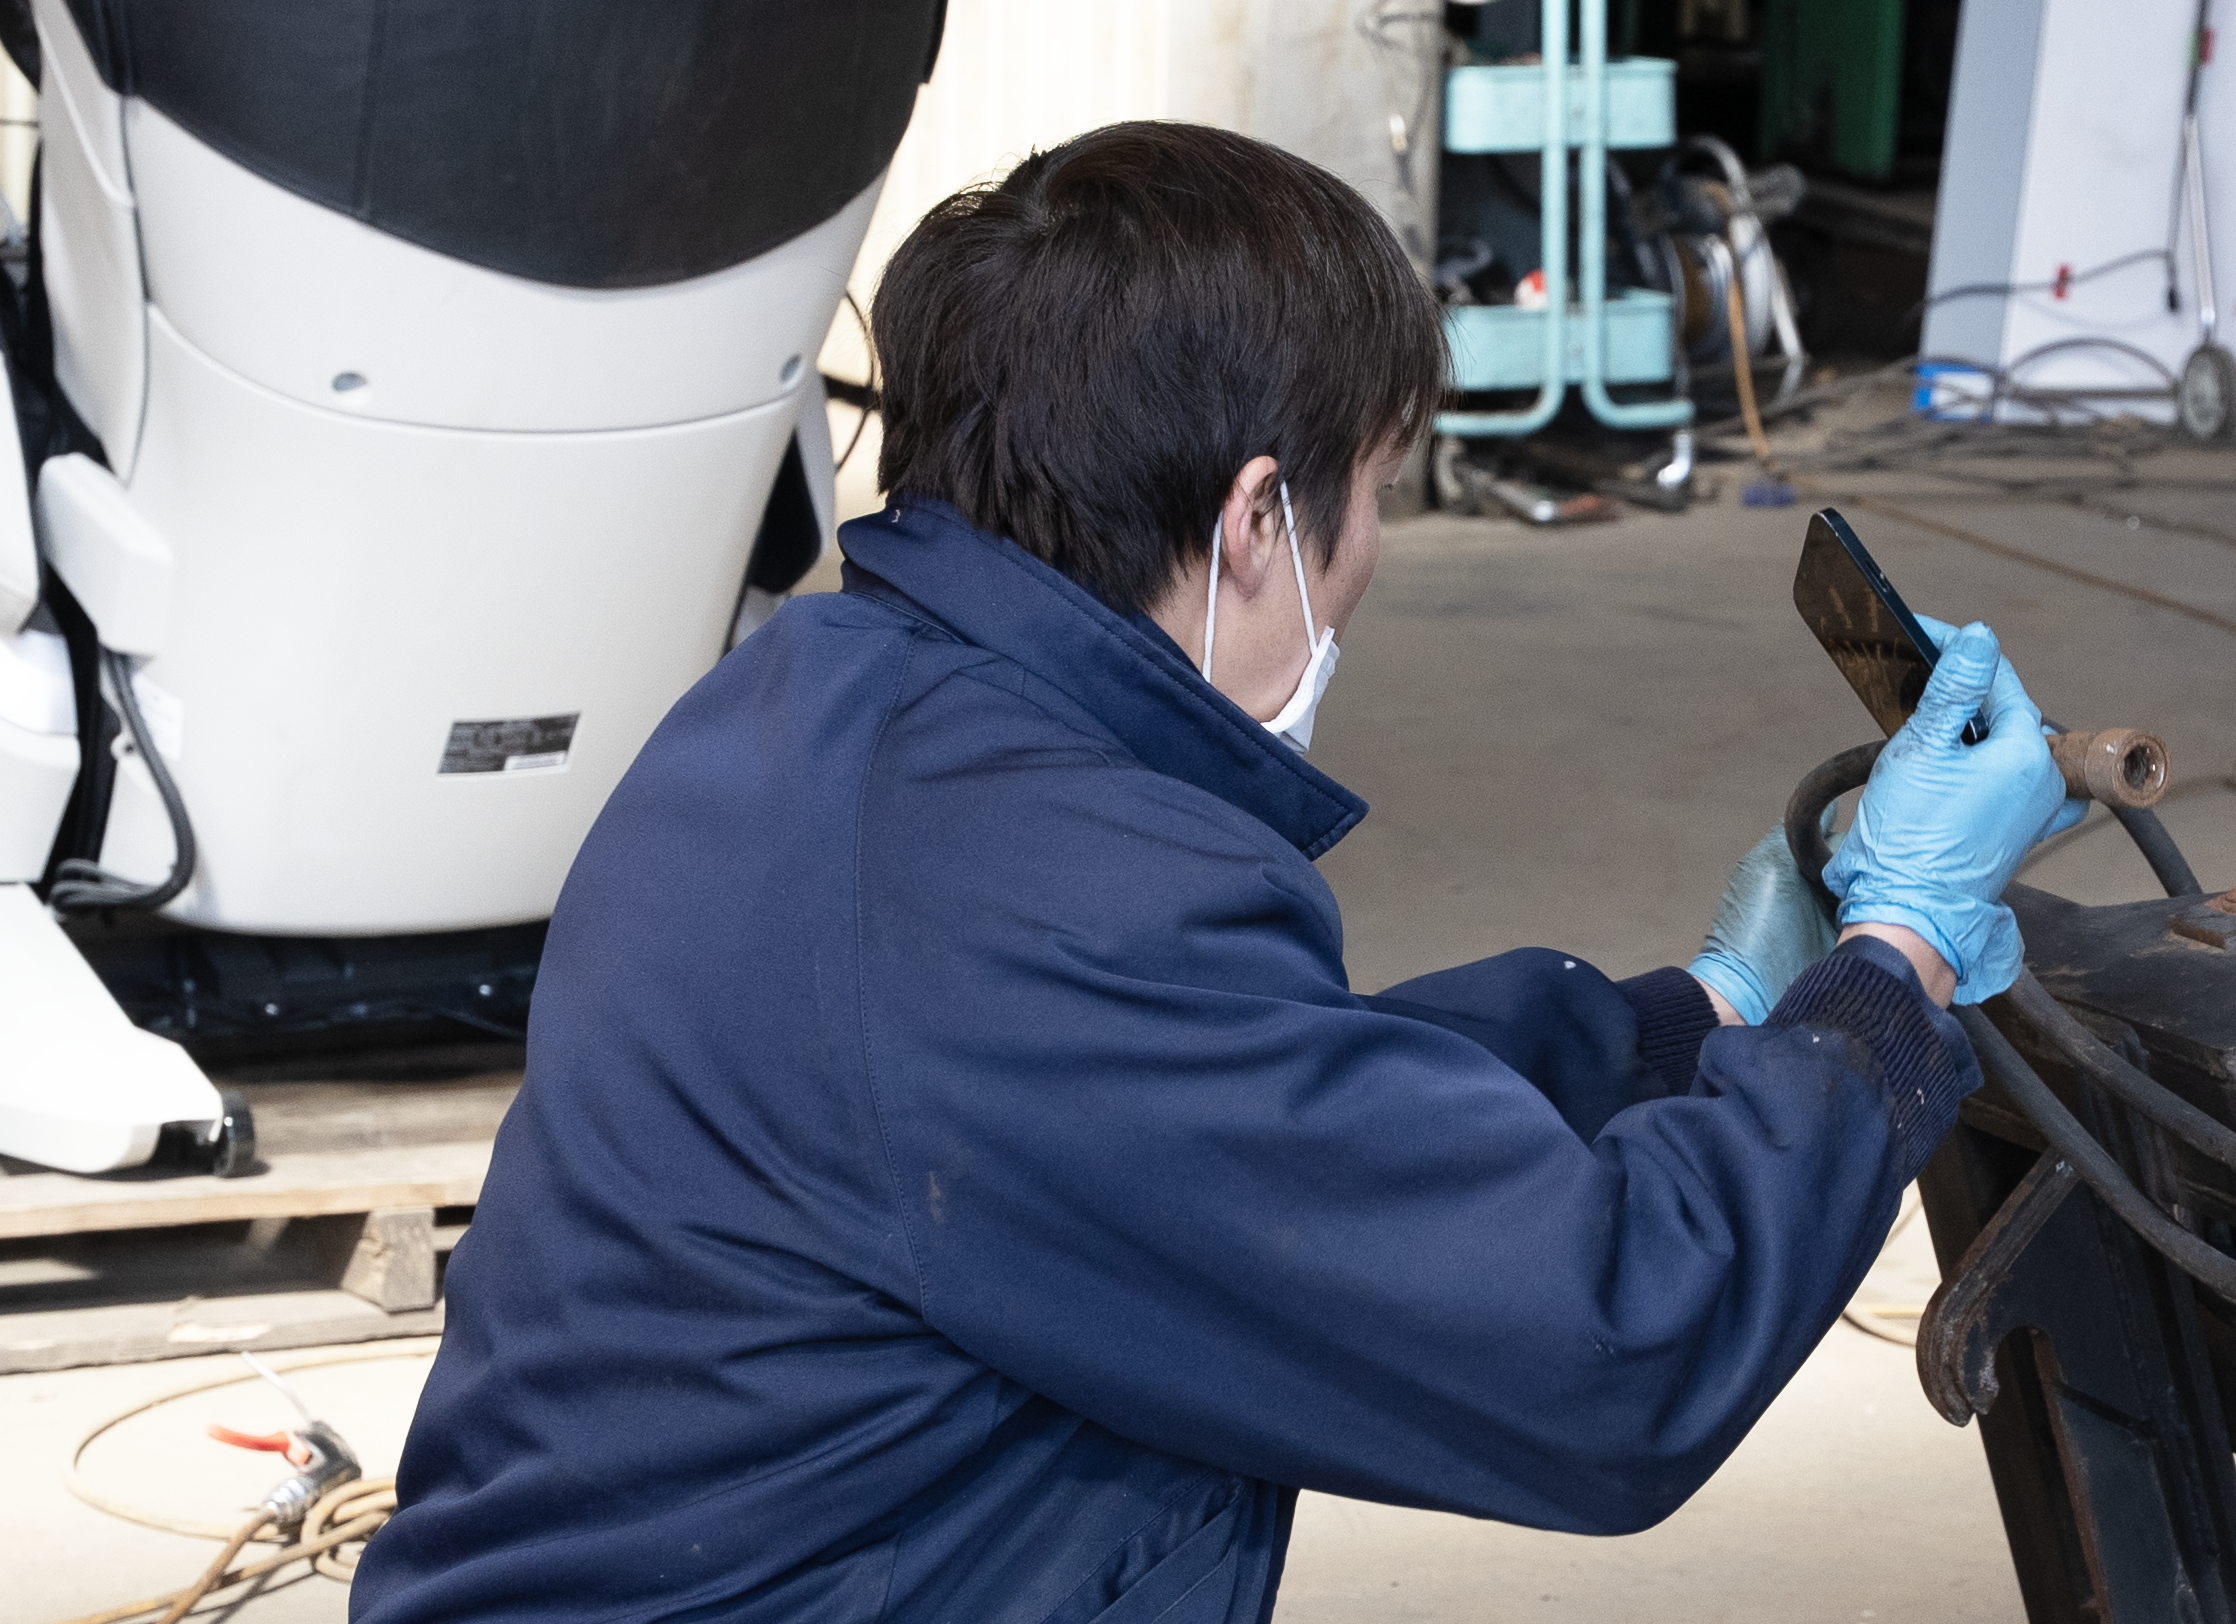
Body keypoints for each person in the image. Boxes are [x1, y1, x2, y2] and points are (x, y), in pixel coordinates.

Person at [352, 123, 2079, 1624]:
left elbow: (1228, 1116)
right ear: (1259, 519)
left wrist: (1717, 1012)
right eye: (1375, 491)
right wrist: (1896, 967)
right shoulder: (1058, 887)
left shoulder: (812, 711)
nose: (1373, 552)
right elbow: (1604, 1352)